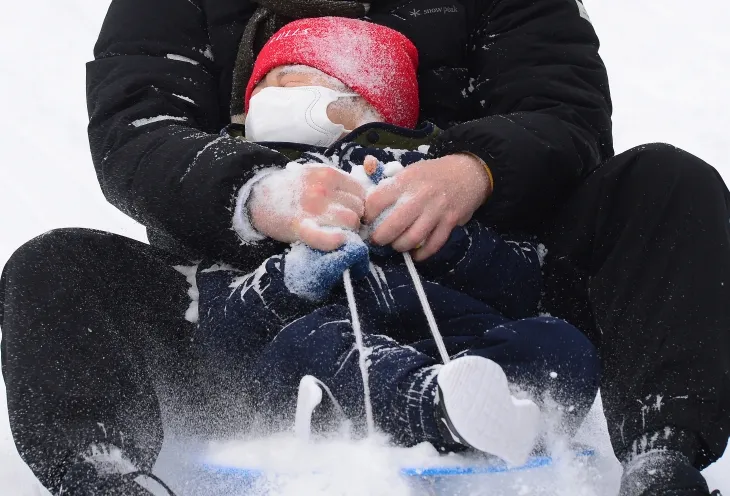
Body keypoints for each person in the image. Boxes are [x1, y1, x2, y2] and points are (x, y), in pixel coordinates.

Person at [0, 0, 727, 495]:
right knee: (55, 268)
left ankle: (663, 451)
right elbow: (138, 130)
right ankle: (105, 475)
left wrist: (477, 170)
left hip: (477, 271)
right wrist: (257, 194)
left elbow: (566, 113)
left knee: (666, 185)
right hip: (247, 295)